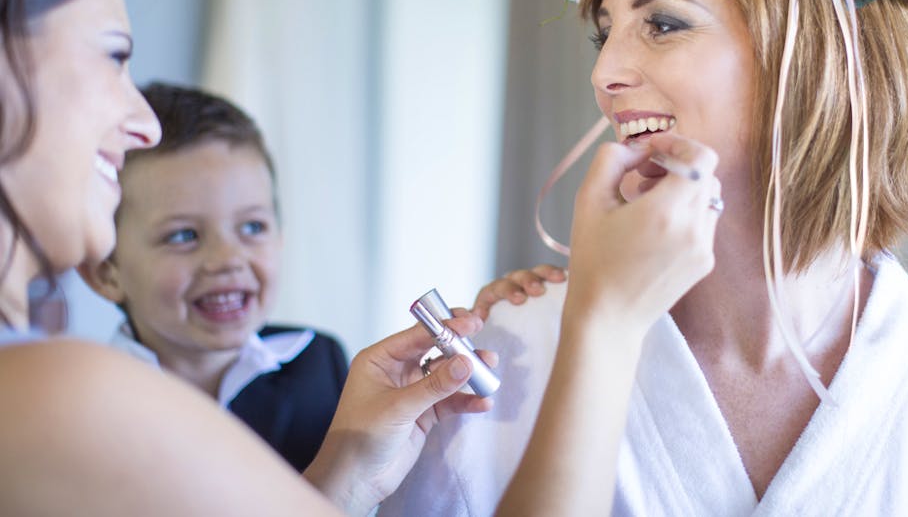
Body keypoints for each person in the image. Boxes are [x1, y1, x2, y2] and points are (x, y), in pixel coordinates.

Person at [0, 0, 672, 517]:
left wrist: (347, 469)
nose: (140, 122)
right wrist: (604, 322)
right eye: (113, 56)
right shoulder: (54, 396)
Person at [382, 0, 908, 516]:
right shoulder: (497, 364)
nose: (605, 74)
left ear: (812, 59)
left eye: (664, 24)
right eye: (603, 36)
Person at [75, 80, 559, 473]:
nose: (227, 258)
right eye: (183, 236)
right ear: (106, 272)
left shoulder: (318, 362)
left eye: (252, 227)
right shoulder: (84, 410)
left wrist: (497, 323)